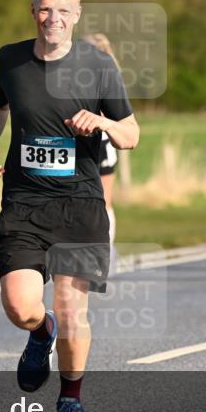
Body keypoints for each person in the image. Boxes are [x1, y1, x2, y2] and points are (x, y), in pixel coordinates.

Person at [0, 0, 139, 412]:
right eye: (47, 9)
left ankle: (71, 400)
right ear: (33, 11)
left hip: (80, 204)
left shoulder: (98, 65)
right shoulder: (9, 60)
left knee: (73, 311)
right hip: (24, 203)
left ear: (77, 15)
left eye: (64, 10)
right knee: (20, 305)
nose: (54, 18)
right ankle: (40, 331)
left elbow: (132, 134)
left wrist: (103, 123)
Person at [80, 33, 120, 275]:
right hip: (79, 143)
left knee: (104, 200)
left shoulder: (107, 73)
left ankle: (105, 253)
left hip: (102, 142)